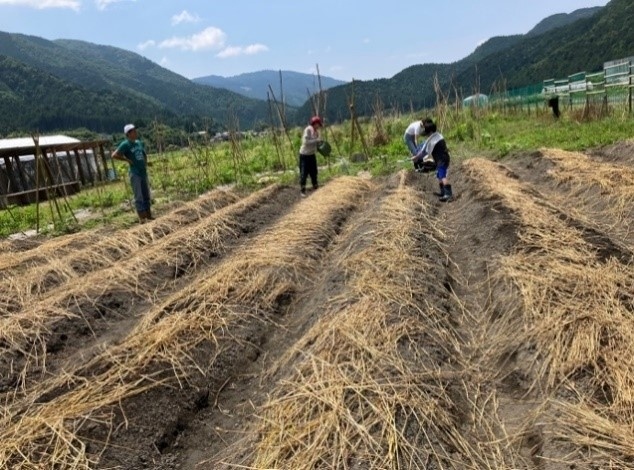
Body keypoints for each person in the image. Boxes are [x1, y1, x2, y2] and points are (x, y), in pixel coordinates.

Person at [112, 124, 154, 222]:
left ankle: (148, 215)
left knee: (146, 194)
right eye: (134, 131)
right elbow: (114, 155)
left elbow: (143, 153)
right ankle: (142, 218)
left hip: (143, 172)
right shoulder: (125, 144)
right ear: (128, 134)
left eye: (135, 130)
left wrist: (146, 162)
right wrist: (126, 159)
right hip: (135, 173)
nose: (136, 133)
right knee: (138, 196)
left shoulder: (139, 143)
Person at [412, 118, 454, 202]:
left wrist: (416, 157)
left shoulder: (432, 140)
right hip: (442, 158)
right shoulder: (438, 135)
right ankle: (443, 192)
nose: (426, 135)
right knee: (439, 175)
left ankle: (448, 194)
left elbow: (424, 153)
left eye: (427, 133)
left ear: (430, 132)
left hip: (442, 159)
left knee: (442, 175)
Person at [298, 116, 323, 196]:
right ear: (314, 123)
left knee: (314, 171)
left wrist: (320, 144)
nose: (318, 126)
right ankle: (303, 190)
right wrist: (316, 140)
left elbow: (316, 143)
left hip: (312, 154)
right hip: (304, 155)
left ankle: (315, 186)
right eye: (318, 124)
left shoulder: (316, 132)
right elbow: (305, 142)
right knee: (304, 173)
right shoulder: (308, 130)